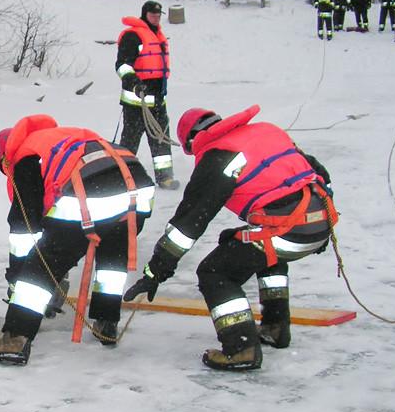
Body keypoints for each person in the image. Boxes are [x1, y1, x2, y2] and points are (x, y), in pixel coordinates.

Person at [124, 105, 336, 371]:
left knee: (215, 272)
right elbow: (320, 173)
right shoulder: (266, 132)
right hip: (319, 221)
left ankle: (241, 348)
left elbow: (188, 224)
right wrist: (316, 224)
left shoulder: (220, 156)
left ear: (191, 141)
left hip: (289, 229)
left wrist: (156, 272)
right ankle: (275, 325)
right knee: (253, 246)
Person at [0, 115, 156, 364]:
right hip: (137, 191)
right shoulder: (59, 139)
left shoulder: (26, 157)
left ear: (5, 159)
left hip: (93, 193)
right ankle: (107, 323)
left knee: (38, 270)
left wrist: (19, 277)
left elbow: (25, 226)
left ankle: (15, 338)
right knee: (112, 256)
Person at [115, 0, 179, 190]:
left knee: (161, 139)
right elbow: (122, 65)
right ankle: (122, 177)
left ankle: (165, 177)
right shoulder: (133, 36)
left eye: (158, 16)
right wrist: (132, 81)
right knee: (130, 141)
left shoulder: (157, 36)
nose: (156, 18)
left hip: (158, 100)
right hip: (137, 101)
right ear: (145, 15)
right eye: (152, 15)